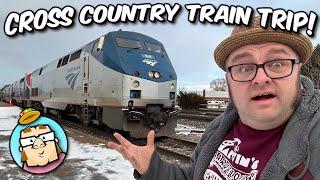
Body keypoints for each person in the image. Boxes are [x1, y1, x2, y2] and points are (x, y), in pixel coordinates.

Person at [107, 16, 320, 179]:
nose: (260, 78)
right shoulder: (220, 127)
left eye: (276, 64)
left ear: (298, 70)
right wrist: (153, 169)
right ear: (229, 80)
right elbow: (194, 176)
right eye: (244, 67)